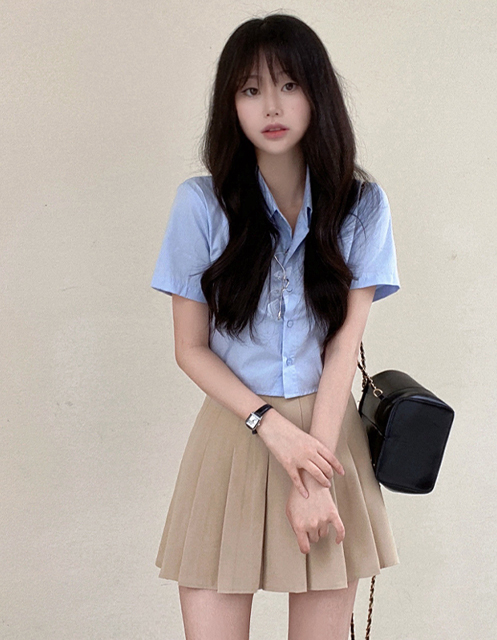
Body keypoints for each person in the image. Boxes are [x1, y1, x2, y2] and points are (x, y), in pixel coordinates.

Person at [150, 12, 401, 640]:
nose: (271, 105)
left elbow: (343, 345)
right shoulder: (201, 205)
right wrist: (271, 428)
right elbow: (190, 348)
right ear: (230, 104)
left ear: (318, 95)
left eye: (289, 84)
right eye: (250, 88)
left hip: (328, 441)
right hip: (234, 434)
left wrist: (312, 471)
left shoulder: (361, 207)